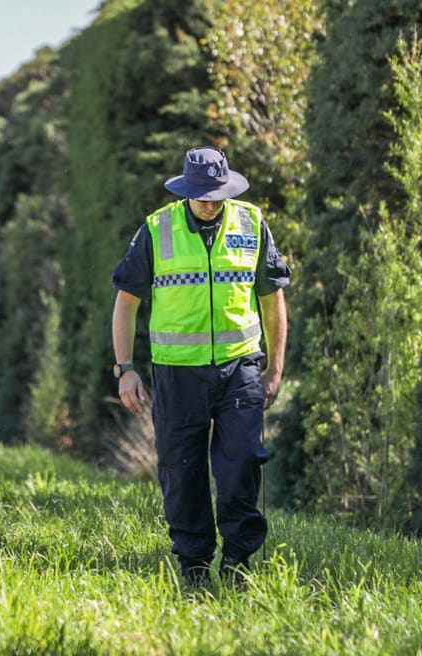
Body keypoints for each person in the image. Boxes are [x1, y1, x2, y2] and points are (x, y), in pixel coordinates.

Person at [111, 146, 290, 587]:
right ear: (186, 190)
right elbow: (125, 304)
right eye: (202, 194)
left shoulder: (251, 223)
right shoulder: (157, 228)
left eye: (217, 194)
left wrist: (276, 368)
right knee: (181, 470)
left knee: (242, 463)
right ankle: (193, 564)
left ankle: (237, 562)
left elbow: (272, 299)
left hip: (240, 367)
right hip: (177, 372)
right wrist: (125, 368)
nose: (211, 202)